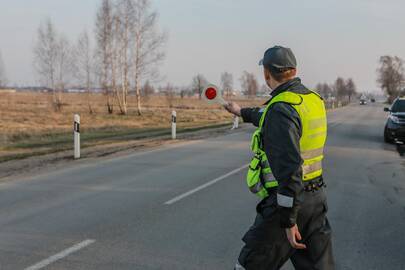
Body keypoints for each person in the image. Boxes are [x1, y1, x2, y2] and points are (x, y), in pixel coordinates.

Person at [224, 46, 335, 270]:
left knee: (250, 265)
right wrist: (240, 112)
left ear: (266, 73)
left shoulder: (281, 108)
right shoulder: (312, 100)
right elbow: (266, 115)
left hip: (288, 205)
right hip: (316, 200)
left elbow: (290, 170)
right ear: (294, 70)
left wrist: (288, 219)